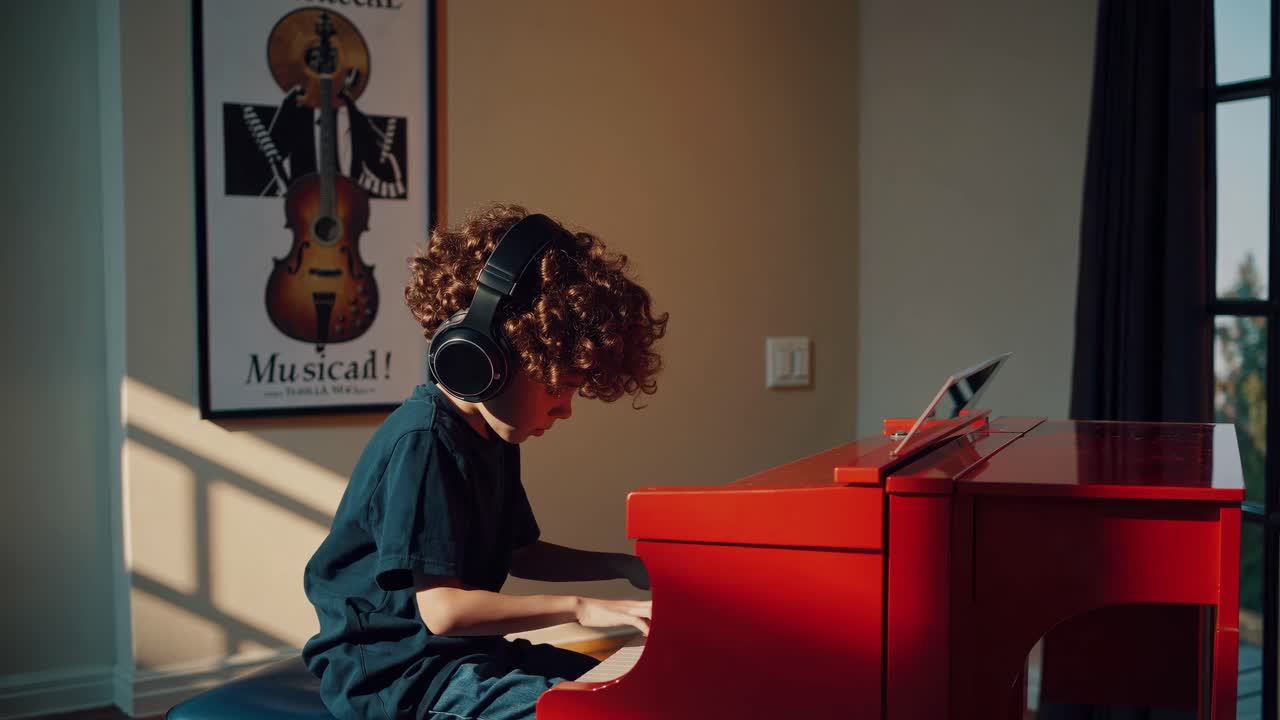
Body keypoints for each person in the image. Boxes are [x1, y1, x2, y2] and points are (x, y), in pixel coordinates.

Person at [302, 203, 669, 720]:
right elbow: (445, 611)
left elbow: (521, 554)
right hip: (403, 679)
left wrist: (623, 567)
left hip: (462, 657)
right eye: (557, 387)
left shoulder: (490, 434)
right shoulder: (424, 441)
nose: (564, 410)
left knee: (632, 697)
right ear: (484, 359)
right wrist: (584, 606)